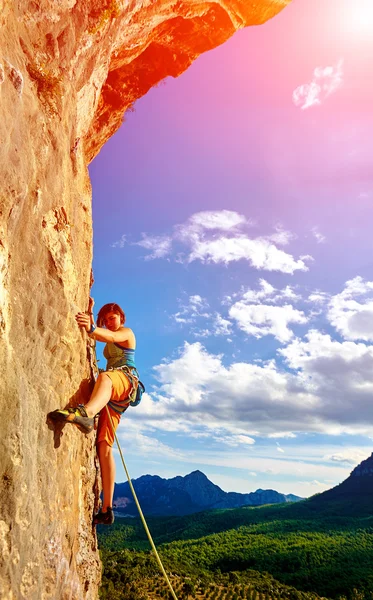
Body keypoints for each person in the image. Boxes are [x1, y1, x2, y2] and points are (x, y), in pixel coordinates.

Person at [49, 301, 139, 526]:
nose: (110, 322)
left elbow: (108, 338)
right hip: (114, 398)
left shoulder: (126, 333)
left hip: (125, 380)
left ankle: (86, 413)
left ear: (121, 317)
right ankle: (107, 508)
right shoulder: (107, 332)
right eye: (106, 319)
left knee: (105, 377)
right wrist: (90, 313)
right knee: (104, 448)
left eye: (113, 317)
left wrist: (91, 327)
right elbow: (95, 337)